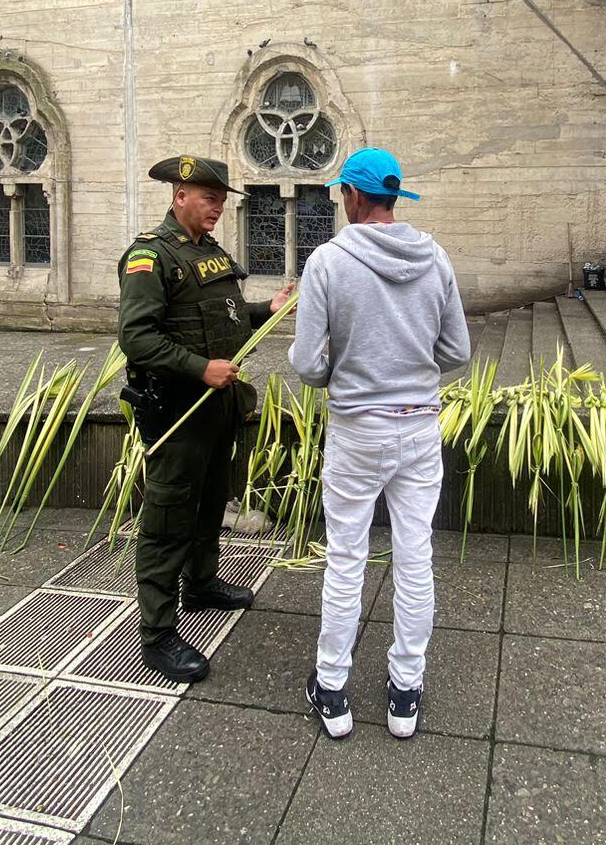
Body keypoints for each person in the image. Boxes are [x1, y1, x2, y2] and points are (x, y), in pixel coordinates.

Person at [289, 147, 469, 740]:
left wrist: (350, 364)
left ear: (354, 197)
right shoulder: (434, 256)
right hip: (418, 427)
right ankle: (404, 695)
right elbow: (457, 354)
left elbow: (308, 366)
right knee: (416, 559)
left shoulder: (327, 263)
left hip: (357, 432)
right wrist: (411, 361)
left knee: (345, 558)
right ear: (393, 198)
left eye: (344, 193)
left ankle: (333, 692)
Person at [118, 155, 292, 683]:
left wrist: (266, 308)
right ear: (180, 197)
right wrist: (199, 368)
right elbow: (138, 338)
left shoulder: (210, 253)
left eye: (221, 199)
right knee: (168, 518)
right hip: (176, 410)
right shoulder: (150, 257)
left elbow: (225, 318)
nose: (218, 208)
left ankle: (200, 585)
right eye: (209, 198)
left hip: (217, 406)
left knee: (212, 498)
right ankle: (157, 635)